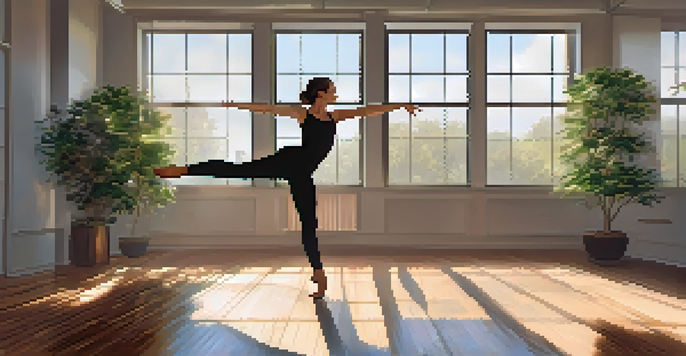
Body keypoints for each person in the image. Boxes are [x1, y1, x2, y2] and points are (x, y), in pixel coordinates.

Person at [153, 77, 420, 299]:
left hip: (302, 173)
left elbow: (367, 111)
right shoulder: (302, 114)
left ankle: (318, 273)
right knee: (240, 170)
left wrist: (398, 106)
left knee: (309, 222)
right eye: (333, 89)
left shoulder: (335, 116)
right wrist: (237, 105)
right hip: (288, 161)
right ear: (321, 93)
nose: (336, 93)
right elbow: (268, 109)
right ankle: (185, 170)